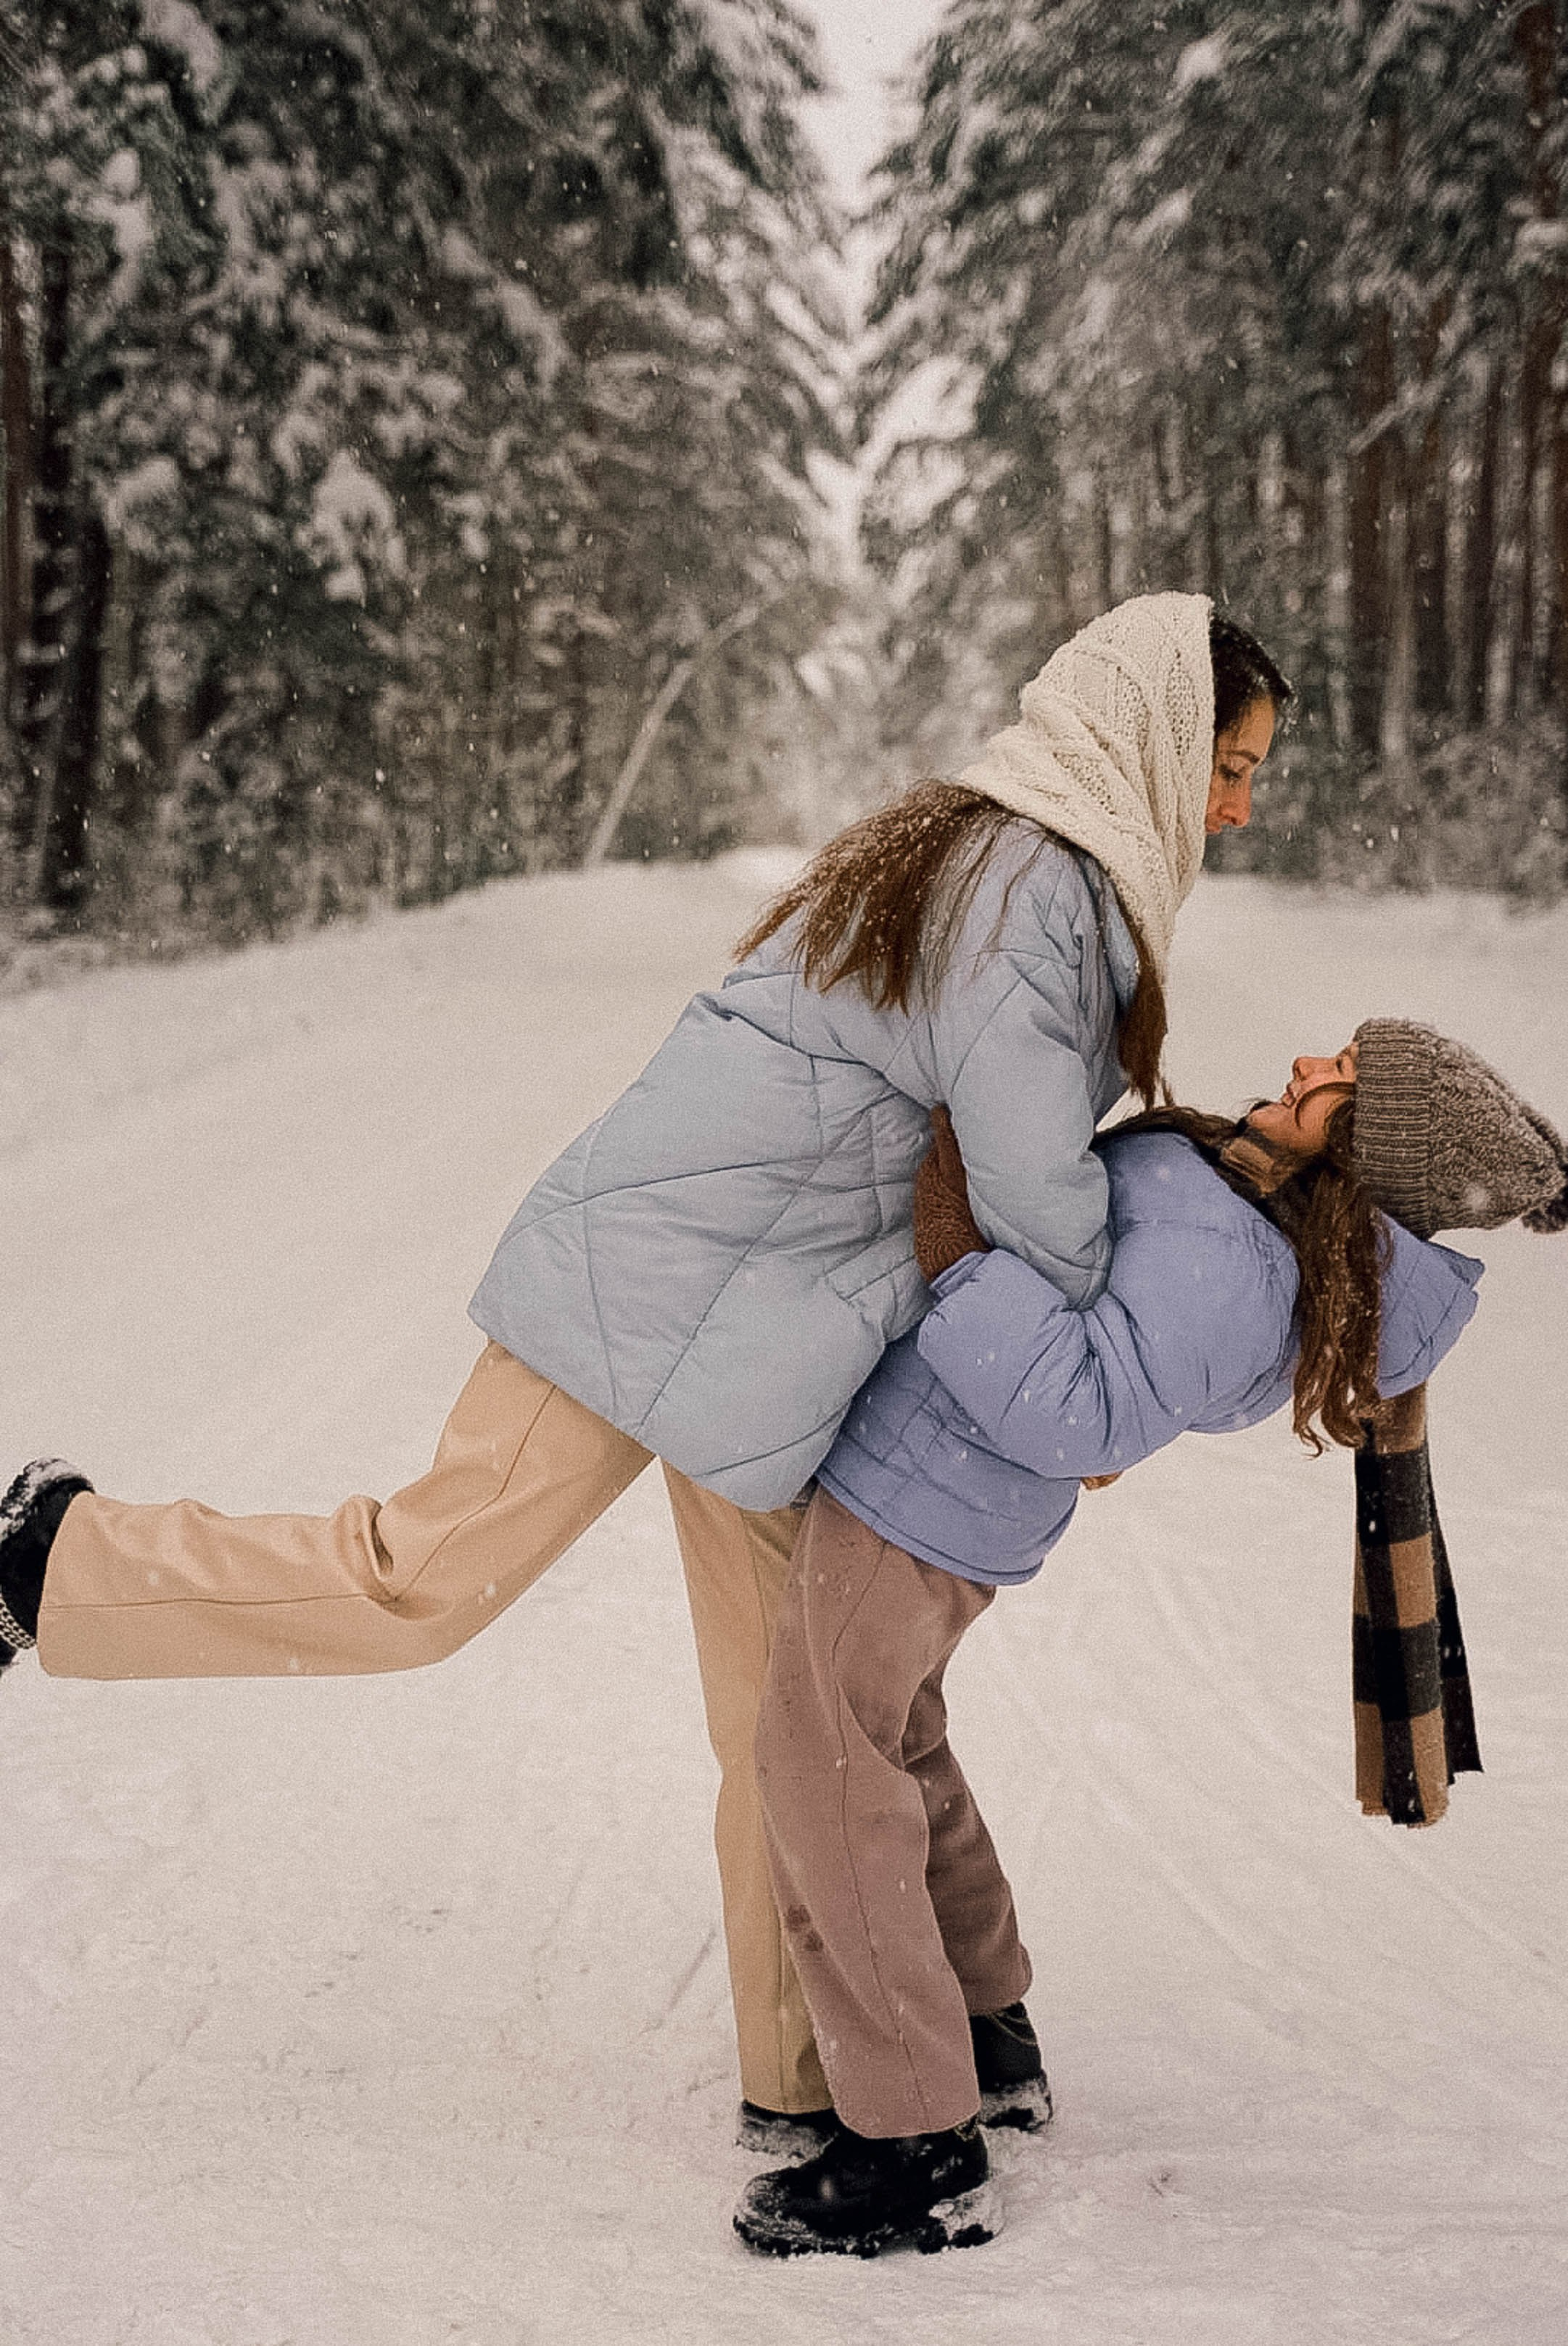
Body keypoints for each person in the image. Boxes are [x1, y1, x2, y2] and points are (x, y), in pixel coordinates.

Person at [0, 594, 1287, 2139]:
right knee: (421, 1582)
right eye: (1226, 759)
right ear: (1146, 736)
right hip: (656, 1275)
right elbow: (1032, 1189)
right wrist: (1114, 1362)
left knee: (790, 1725)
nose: (1235, 801)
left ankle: (814, 2084)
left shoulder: (1020, 864)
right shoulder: (1030, 884)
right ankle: (50, 1557)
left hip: (765, 1344)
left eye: (1252, 771)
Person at [733, 1022, 1568, 2259]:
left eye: (1341, 1079)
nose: (1303, 1062)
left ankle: (914, 2146)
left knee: (823, 1771)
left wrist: (954, 1240)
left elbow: (1073, 1411)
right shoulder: (1249, 1206)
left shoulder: (1239, 1262)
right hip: (940, 1484)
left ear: (1367, 1154)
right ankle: (985, 2037)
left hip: (924, 1491)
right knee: (892, 1747)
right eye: (1334, 1049)